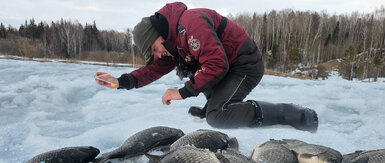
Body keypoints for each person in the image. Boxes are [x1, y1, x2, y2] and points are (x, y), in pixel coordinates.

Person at [95, 2, 318, 132]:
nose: (157, 55)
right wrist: (121, 82)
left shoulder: (190, 23)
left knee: (217, 116)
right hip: (228, 68)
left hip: (245, 64)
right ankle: (217, 104)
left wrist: (184, 92)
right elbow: (153, 69)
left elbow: (217, 63)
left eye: (154, 49)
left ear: (159, 35)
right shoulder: (171, 43)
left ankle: (293, 115)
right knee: (201, 85)